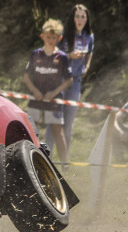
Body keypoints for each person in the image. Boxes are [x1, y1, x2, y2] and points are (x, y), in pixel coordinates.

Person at [23, 19, 73, 167]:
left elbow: (69, 80)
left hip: (54, 99)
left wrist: (54, 92)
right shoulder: (35, 54)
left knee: (58, 131)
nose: (51, 40)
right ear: (42, 36)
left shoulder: (62, 57)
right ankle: (29, 160)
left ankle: (66, 165)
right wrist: (34, 91)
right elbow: (26, 76)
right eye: (48, 37)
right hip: (36, 98)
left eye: (54, 37)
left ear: (59, 38)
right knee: (32, 129)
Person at [45, 4, 94, 152]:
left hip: (76, 82)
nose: (80, 19)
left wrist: (87, 66)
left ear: (86, 19)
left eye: (83, 16)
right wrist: (69, 56)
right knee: (54, 120)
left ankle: (64, 164)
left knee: (69, 122)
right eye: (77, 16)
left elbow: (90, 51)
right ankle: (47, 156)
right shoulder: (65, 34)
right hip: (60, 80)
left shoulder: (89, 35)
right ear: (73, 18)